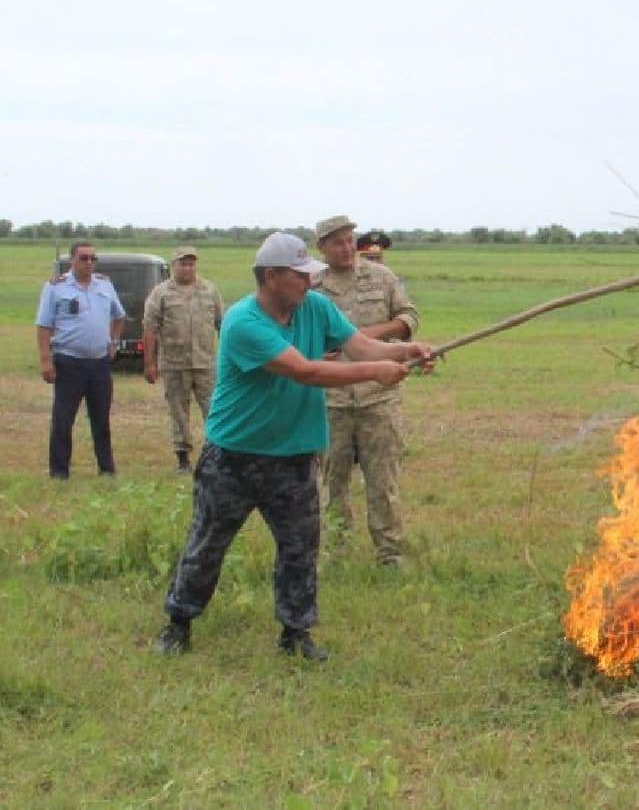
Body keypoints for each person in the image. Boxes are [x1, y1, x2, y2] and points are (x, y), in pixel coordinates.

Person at [156, 232, 434, 662]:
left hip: (294, 456)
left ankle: (296, 633)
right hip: (234, 456)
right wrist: (374, 371)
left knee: (300, 548)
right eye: (300, 276)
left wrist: (402, 351)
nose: (309, 283)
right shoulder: (243, 322)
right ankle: (179, 622)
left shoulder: (316, 308)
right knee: (208, 543)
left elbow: (360, 345)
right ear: (271, 277)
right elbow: (304, 371)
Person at [313, 215, 421, 566]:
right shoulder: (312, 288)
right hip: (333, 401)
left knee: (383, 481)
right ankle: (337, 552)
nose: (346, 248)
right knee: (333, 483)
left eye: (349, 240)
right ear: (322, 248)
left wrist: (361, 339)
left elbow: (408, 319)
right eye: (337, 243)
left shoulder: (382, 277)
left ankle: (389, 553)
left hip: (379, 397)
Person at [36, 241, 126, 479]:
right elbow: (44, 325)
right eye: (84, 258)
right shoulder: (56, 287)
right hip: (68, 362)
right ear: (71, 260)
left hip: (99, 363)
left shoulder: (105, 286)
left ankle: (106, 469)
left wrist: (114, 343)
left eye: (93, 259)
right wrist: (46, 360)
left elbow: (119, 316)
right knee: (63, 420)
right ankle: (59, 471)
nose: (89, 263)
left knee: (101, 419)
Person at [143, 246, 225, 473]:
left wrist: (228, 359)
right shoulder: (161, 293)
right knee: (178, 412)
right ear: (173, 266)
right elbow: (150, 328)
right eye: (183, 263)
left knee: (214, 409)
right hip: (173, 364)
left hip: (205, 363)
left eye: (191, 263)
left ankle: (216, 454)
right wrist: (149, 363)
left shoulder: (209, 290)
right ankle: (182, 458)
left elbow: (222, 325)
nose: (188, 267)